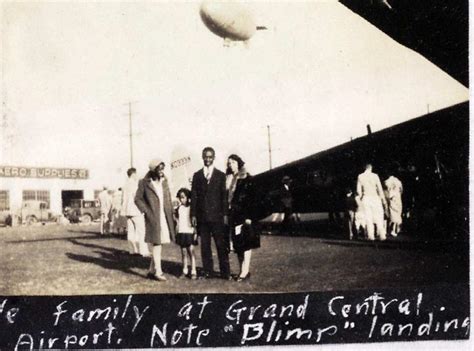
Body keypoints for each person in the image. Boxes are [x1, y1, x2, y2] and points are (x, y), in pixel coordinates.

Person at [191, 147, 231, 280]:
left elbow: (224, 197)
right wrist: (193, 215)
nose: (207, 159)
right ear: (202, 157)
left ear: (214, 157)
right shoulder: (197, 175)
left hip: (217, 217)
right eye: (205, 157)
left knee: (221, 245)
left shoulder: (220, 175)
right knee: (205, 246)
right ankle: (208, 271)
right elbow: (194, 197)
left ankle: (225, 272)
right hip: (202, 218)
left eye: (210, 157)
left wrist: (225, 215)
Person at [135, 159, 176, 281]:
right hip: (153, 216)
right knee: (157, 243)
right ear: (153, 170)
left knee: (159, 243)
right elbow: (137, 199)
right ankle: (158, 271)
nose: (162, 171)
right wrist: (146, 211)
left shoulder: (164, 181)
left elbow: (168, 197)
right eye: (159, 169)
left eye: (163, 168)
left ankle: (151, 270)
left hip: (165, 216)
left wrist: (172, 212)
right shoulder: (144, 183)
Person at [226, 154, 260, 281]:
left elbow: (253, 200)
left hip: (244, 216)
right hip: (234, 216)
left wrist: (249, 216)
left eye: (233, 162)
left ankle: (245, 272)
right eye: (229, 163)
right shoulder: (228, 179)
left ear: (239, 163)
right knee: (238, 245)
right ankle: (242, 270)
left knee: (246, 244)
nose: (231, 165)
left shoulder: (247, 179)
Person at [122, 168, 149, 256]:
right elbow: (137, 197)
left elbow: (123, 199)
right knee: (141, 231)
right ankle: (143, 251)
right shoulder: (134, 184)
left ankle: (132, 250)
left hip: (127, 210)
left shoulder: (125, 185)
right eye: (136, 174)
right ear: (133, 174)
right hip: (135, 210)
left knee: (131, 231)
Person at [356, 163, 387, 241]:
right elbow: (380, 189)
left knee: (368, 218)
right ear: (371, 168)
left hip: (366, 198)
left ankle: (371, 236)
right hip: (375, 198)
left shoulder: (360, 176)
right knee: (379, 217)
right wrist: (383, 200)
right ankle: (382, 235)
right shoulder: (375, 176)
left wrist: (358, 200)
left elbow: (358, 191)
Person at [175, 188, 198, 280]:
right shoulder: (179, 208)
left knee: (191, 251)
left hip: (189, 232)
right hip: (182, 232)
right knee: (183, 252)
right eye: (180, 198)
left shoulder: (191, 208)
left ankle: (193, 271)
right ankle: (184, 270)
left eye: (183, 197)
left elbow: (195, 222)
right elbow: (177, 220)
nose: (181, 200)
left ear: (188, 197)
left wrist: (195, 232)